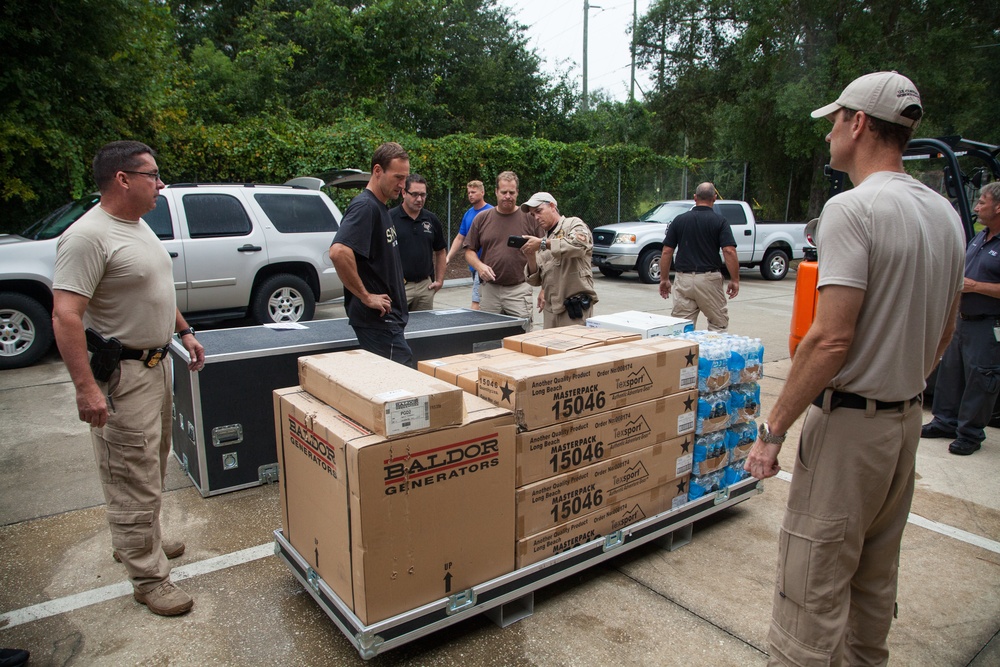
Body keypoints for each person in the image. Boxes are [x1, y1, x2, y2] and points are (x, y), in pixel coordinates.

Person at [744, 71, 965, 665]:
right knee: (872, 583)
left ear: (859, 123)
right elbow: (946, 325)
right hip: (904, 425)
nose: (829, 136)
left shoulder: (853, 208)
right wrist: (905, 378)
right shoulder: (944, 214)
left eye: (834, 122)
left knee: (810, 587)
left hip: (849, 432)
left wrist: (773, 431)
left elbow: (830, 337)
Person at [52, 140, 206, 617]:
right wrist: (86, 388)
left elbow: (152, 288)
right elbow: (65, 314)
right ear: (123, 179)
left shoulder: (136, 227)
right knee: (130, 472)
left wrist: (184, 331)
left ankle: (142, 540)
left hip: (158, 365)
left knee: (152, 462)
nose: (161, 185)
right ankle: (147, 577)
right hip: (124, 375)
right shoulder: (87, 237)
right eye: (153, 175)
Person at [922, 181, 1000, 456]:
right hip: (963, 319)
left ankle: (970, 433)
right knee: (951, 373)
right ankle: (945, 421)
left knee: (980, 379)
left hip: (988, 324)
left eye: (982, 201)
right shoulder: (981, 237)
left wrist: (976, 286)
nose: (977, 206)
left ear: (998, 207)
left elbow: (976, 283)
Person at [329, 142, 414, 367]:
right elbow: (338, 252)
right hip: (379, 323)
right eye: (398, 177)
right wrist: (366, 296)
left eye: (405, 178)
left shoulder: (380, 207)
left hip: (388, 322)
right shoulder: (365, 207)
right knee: (403, 387)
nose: (403, 185)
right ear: (378, 171)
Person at [463, 171, 543, 329]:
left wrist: (545, 289)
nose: (508, 196)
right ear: (495, 192)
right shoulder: (482, 218)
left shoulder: (530, 218)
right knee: (488, 340)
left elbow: (547, 253)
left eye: (511, 192)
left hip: (519, 290)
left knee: (522, 340)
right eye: (504, 192)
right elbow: (468, 251)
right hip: (490, 291)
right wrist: (480, 266)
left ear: (517, 193)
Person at [658, 182, 739, 331]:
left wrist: (664, 279)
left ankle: (684, 353)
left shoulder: (679, 220)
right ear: (714, 198)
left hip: (683, 280)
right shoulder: (720, 221)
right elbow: (729, 251)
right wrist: (735, 280)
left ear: (695, 198)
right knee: (718, 324)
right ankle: (714, 354)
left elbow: (666, 251)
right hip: (709, 280)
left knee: (681, 328)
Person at [519, 192, 599, 328]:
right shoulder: (543, 239)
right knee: (551, 348)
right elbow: (535, 279)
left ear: (552, 206)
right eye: (533, 215)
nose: (536, 217)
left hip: (574, 310)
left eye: (539, 211)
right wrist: (531, 256)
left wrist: (544, 244)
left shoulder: (573, 224)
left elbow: (579, 246)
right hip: (551, 309)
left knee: (574, 348)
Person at [390, 174, 447, 311]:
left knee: (424, 330)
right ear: (404, 193)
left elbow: (440, 251)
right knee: (396, 328)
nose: (419, 199)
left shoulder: (431, 219)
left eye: (423, 195)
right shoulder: (390, 218)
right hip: (399, 287)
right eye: (414, 194)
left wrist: (439, 280)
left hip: (425, 287)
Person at [445, 180, 493, 310]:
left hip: (485, 265)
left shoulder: (491, 212)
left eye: (474, 192)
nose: (470, 195)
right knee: (483, 300)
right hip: (473, 265)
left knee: (476, 302)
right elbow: (460, 237)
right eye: (469, 192)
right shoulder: (468, 214)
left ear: (482, 193)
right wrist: (448, 257)